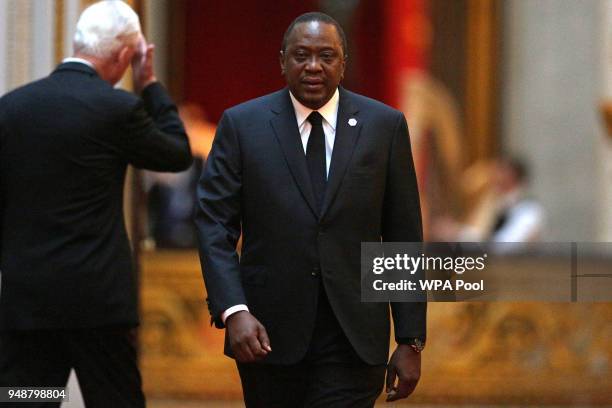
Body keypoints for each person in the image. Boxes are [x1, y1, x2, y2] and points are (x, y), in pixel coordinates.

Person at [196, 12, 425, 407]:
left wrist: (410, 339)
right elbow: (214, 224)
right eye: (301, 55)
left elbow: (402, 237)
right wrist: (234, 310)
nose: (313, 66)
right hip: (266, 335)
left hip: (354, 338)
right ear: (282, 61)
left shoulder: (383, 126)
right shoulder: (243, 125)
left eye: (326, 56)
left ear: (343, 63)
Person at [0, 1, 192, 407]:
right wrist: (151, 84)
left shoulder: (11, 108)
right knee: (114, 400)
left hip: (28, 298)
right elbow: (176, 152)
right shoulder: (116, 109)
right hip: (98, 304)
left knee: (27, 399)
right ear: (125, 55)